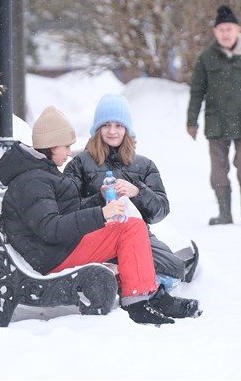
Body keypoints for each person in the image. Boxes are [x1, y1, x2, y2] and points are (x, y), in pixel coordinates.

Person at [0, 106, 200, 325]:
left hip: (57, 249)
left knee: (130, 226)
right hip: (52, 256)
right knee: (129, 229)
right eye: (66, 146)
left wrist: (98, 199)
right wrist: (101, 213)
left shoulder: (40, 171)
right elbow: (51, 229)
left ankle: (151, 296)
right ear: (52, 145)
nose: (69, 153)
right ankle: (140, 302)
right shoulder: (33, 180)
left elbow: (65, 213)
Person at [64, 94, 198, 287]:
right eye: (106, 125)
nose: (112, 131)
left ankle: (128, 279)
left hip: (136, 234)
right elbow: (68, 211)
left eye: (118, 125)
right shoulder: (80, 163)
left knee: (173, 267)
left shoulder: (144, 165)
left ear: (127, 129)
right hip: (96, 235)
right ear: (97, 128)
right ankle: (121, 279)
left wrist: (138, 192)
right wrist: (99, 200)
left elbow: (160, 211)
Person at [187, 4, 241, 225]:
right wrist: (192, 121)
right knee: (218, 172)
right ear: (216, 32)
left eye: (229, 29)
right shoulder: (206, 57)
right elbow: (197, 91)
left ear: (238, 30)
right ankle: (224, 213)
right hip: (217, 123)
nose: (225, 34)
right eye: (221, 29)